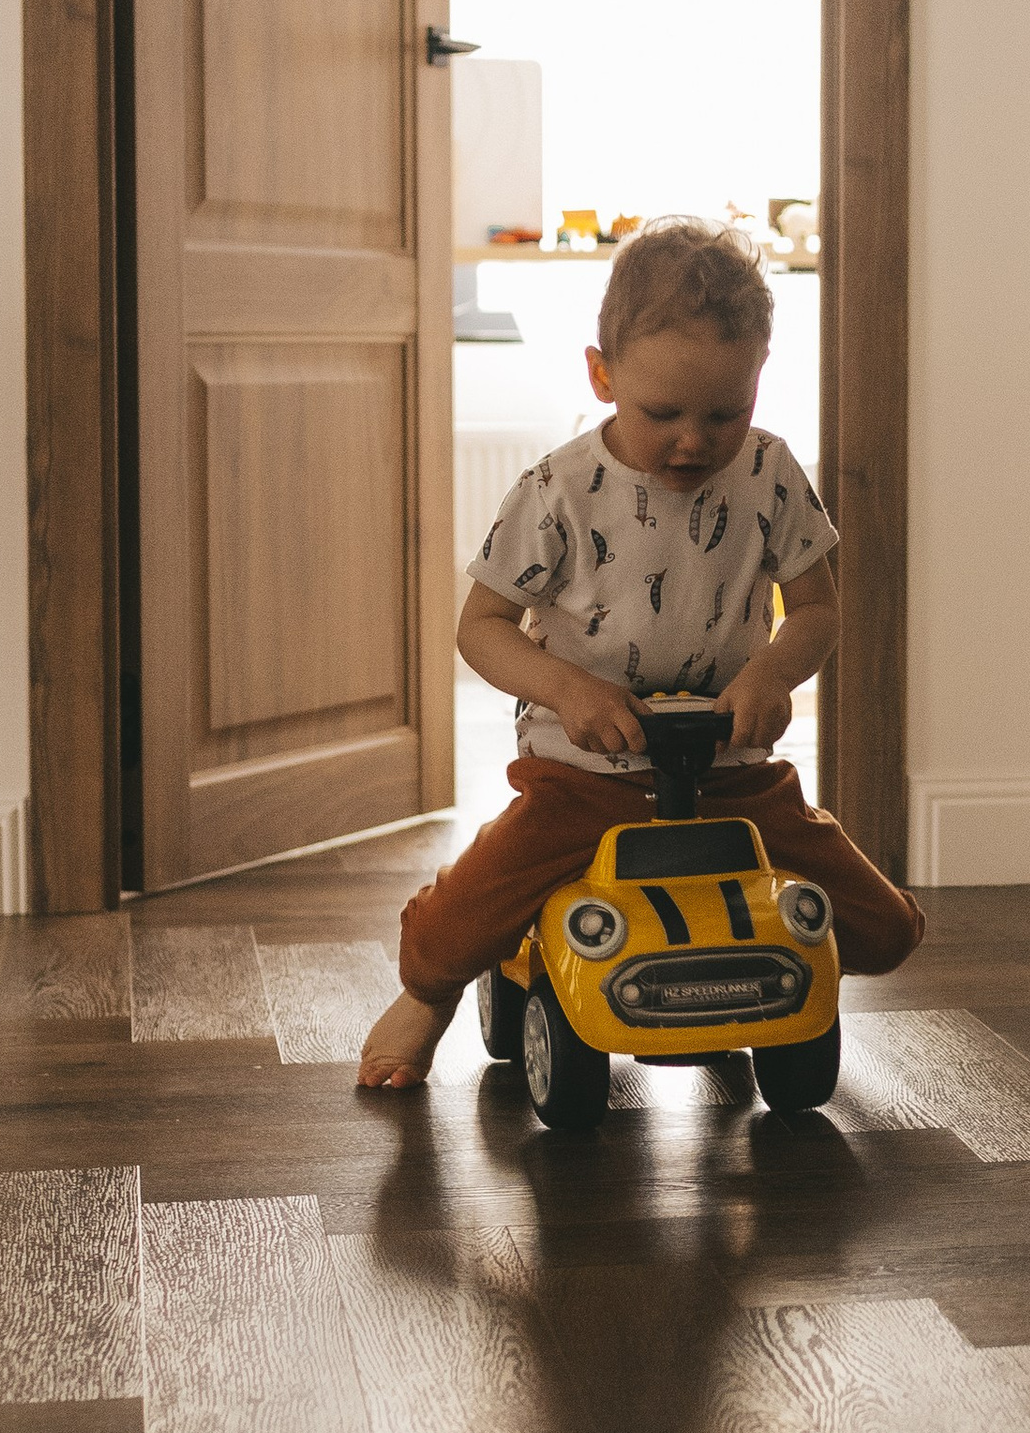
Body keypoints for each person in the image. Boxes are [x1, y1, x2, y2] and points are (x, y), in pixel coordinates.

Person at [357, 216, 922, 1088]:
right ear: (603, 373)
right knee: (452, 931)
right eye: (663, 413)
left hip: (732, 770)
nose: (693, 440)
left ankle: (750, 991)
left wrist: (773, 671)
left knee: (885, 933)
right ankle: (428, 1000)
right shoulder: (559, 491)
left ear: (759, 384)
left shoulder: (770, 475)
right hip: (585, 777)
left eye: (725, 413)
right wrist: (568, 690)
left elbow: (816, 607)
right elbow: (482, 627)